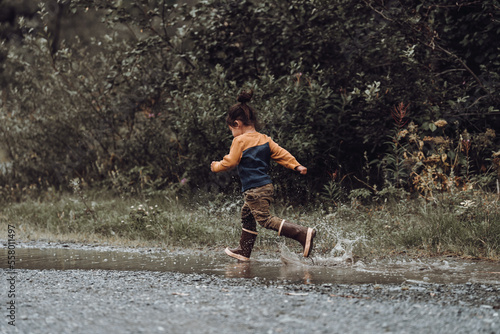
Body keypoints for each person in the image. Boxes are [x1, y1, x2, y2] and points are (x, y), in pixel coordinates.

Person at [211, 90, 316, 261]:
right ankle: (244, 251)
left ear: (237, 124)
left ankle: (302, 234)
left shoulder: (239, 140)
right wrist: (296, 165)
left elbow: (230, 162)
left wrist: (216, 166)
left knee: (265, 220)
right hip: (265, 186)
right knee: (247, 214)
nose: (232, 133)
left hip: (254, 189)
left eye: (231, 129)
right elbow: (281, 154)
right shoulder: (265, 139)